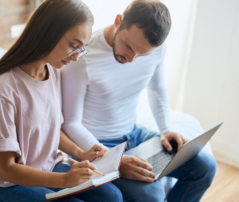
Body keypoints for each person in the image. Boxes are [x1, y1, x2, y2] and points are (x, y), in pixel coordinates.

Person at [61, 0, 217, 201]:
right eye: (128, 46)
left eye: (142, 54)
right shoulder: (82, 58)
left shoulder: (156, 48)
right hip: (98, 145)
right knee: (152, 196)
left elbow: (157, 89)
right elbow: (70, 123)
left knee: (206, 167)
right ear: (118, 21)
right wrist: (113, 160)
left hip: (135, 134)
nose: (132, 59)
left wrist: (166, 129)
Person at [0, 0, 123, 202]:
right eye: (73, 46)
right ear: (47, 32)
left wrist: (81, 153)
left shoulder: (51, 71)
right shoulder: (1, 91)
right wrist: (65, 180)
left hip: (43, 165)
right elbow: (6, 170)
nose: (75, 58)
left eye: (81, 49)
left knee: (112, 197)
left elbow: (47, 128)